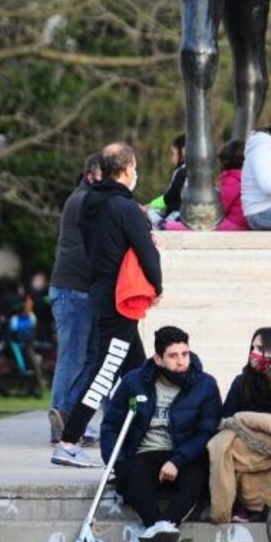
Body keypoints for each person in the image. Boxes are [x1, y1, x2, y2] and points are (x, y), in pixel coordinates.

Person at [52, 142, 163, 467]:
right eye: (135, 168)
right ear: (128, 169)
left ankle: (145, 436)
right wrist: (157, 286)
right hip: (121, 300)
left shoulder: (89, 203)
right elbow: (146, 252)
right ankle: (69, 441)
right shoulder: (125, 208)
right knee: (105, 372)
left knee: (140, 370)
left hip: (102, 293)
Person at [101, 326, 221, 542]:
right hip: (145, 452)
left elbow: (207, 432)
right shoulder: (134, 382)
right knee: (132, 476)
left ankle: (162, 530)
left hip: (185, 454)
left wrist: (177, 460)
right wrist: (118, 463)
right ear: (158, 359)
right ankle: (165, 538)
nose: (181, 362)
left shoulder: (205, 385)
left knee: (197, 478)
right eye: (173, 356)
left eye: (185, 354)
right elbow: (111, 427)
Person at [47, 152, 103, 445]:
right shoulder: (84, 201)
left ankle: (69, 415)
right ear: (93, 174)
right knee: (72, 360)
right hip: (73, 291)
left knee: (94, 359)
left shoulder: (88, 199)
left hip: (84, 292)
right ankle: (61, 423)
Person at [146, 134, 186, 226]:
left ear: (183, 152)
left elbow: (169, 196)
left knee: (150, 212)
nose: (171, 159)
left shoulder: (181, 171)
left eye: (173, 154)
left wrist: (149, 206)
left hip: (178, 214)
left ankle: (162, 224)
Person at [215, 139, 249, 231]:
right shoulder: (245, 178)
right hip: (241, 224)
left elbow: (219, 208)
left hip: (234, 224)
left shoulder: (232, 179)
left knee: (175, 226)